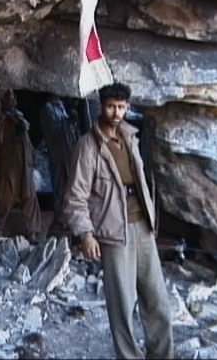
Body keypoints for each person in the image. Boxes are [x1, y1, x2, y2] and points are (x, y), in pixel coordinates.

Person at [64, 82, 173, 359]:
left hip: (143, 228)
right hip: (113, 231)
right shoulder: (88, 147)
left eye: (122, 107)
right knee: (122, 306)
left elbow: (143, 182)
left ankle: (162, 355)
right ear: (101, 106)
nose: (116, 113)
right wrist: (86, 234)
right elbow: (75, 196)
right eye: (111, 106)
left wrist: (152, 220)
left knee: (157, 300)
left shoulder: (130, 137)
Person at [0, 89, 41, 240]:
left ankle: (33, 232)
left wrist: (33, 161)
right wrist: (4, 122)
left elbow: (28, 142)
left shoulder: (20, 118)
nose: (11, 100)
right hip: (9, 169)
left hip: (25, 167)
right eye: (8, 97)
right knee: (5, 201)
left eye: (12, 97)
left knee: (30, 199)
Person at [39, 94, 80, 227]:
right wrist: (68, 121)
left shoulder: (61, 106)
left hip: (68, 150)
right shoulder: (47, 109)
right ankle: (60, 218)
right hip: (57, 152)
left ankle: (70, 216)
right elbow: (54, 130)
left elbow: (70, 131)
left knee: (70, 183)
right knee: (59, 183)